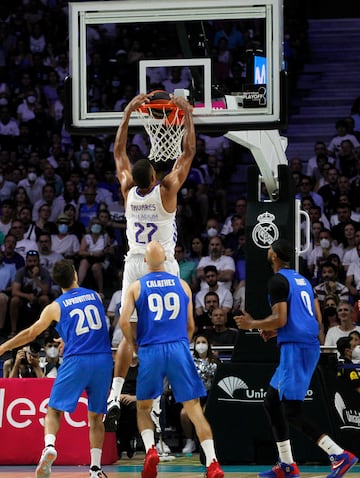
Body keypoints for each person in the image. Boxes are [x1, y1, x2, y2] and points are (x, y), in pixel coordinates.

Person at [234, 238, 358, 478]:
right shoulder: (302, 280)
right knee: (271, 402)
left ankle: (339, 455)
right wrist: (276, 330)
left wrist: (253, 324)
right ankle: (287, 465)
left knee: (291, 411)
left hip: (296, 348)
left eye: (270, 248)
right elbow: (315, 319)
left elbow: (280, 318)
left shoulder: (277, 281)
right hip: (303, 344)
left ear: (274, 255)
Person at [106, 92, 196, 423]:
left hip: (133, 264)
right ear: (155, 178)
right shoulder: (168, 189)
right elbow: (188, 153)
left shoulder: (127, 191)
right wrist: (186, 114)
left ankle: (115, 394)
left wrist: (128, 111)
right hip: (162, 265)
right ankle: (157, 403)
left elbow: (118, 152)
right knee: (168, 334)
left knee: (128, 328)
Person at [119, 241, 224, 478]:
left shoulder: (136, 286)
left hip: (151, 349)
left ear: (145, 262)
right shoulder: (183, 285)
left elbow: (124, 322)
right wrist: (180, 344)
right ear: (166, 260)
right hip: (178, 347)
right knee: (194, 409)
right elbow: (190, 326)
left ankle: (150, 451)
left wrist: (135, 345)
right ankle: (213, 463)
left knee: (144, 408)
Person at [0, 258, 113, 478]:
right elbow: (93, 327)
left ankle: (50, 446)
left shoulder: (55, 306)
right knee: (96, 418)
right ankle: (95, 469)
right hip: (102, 360)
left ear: (57, 282)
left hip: (77, 360)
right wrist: (69, 338)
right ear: (75, 275)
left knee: (54, 409)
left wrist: (4, 346)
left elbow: (30, 333)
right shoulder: (96, 296)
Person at [180, 334, 221, 454]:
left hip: (210, 396)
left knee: (205, 412)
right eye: (198, 343)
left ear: (208, 345)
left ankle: (206, 441)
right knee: (184, 414)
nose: (201, 345)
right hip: (194, 395)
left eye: (203, 342)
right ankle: (190, 441)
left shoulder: (216, 361)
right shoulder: (189, 361)